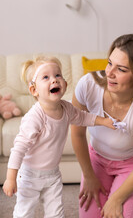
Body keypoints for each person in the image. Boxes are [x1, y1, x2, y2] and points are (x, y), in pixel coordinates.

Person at [3, 56, 115, 218]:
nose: (54, 80)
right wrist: (10, 178)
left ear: (65, 84)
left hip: (52, 175)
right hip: (29, 175)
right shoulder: (35, 117)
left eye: (58, 75)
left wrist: (103, 121)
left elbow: (83, 117)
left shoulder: (67, 108)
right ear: (34, 90)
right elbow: (19, 148)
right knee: (24, 212)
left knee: (56, 212)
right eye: (46, 77)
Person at [71, 34, 133, 218]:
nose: (109, 73)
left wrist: (116, 199)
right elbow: (77, 134)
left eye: (121, 69)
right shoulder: (87, 86)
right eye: (109, 63)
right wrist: (89, 176)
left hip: (132, 166)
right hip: (97, 160)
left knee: (123, 215)